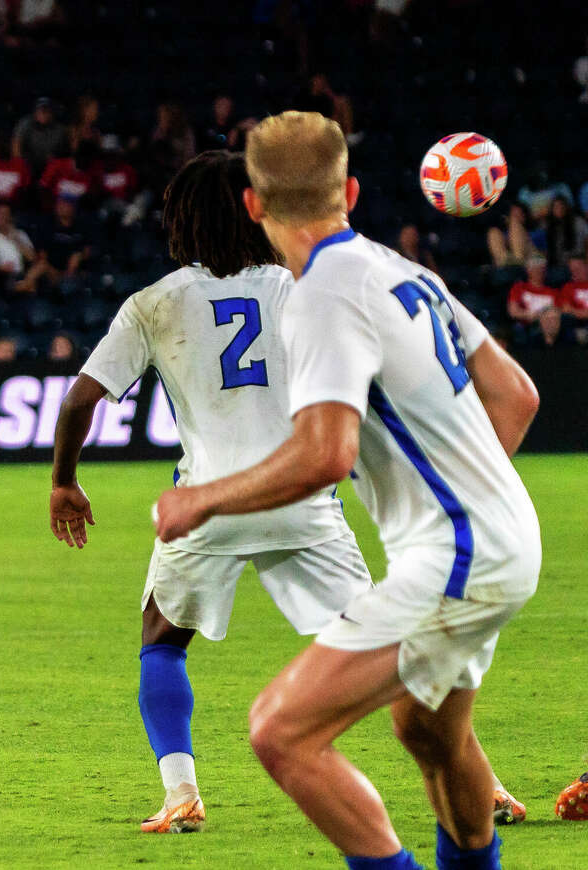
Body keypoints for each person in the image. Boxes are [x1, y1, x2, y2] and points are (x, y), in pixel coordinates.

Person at [49, 149, 526, 835]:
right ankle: (491, 788)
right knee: (394, 652)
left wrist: (65, 481)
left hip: (207, 505)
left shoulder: (151, 302)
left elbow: (79, 401)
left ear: (179, 219)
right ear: (254, 208)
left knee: (162, 640)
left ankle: (182, 792)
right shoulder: (303, 287)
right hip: (304, 500)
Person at [154, 111, 541, 869]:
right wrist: (472, 500)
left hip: (458, 554)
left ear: (255, 205)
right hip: (501, 538)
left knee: (280, 732)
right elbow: (518, 396)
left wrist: (204, 498)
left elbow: (324, 457)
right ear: (351, 192)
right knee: (429, 734)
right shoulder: (403, 271)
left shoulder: (322, 297)